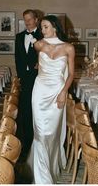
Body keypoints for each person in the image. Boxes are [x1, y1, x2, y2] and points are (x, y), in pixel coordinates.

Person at [28, 15, 75, 184]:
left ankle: (51, 165)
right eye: (41, 27)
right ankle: (42, 178)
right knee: (40, 133)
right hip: (40, 91)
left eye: (45, 27)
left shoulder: (68, 48)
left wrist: (64, 92)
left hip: (57, 91)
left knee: (52, 133)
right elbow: (38, 67)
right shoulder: (38, 45)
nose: (42, 30)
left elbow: (71, 74)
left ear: (55, 27)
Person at [15, 9, 42, 159]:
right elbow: (17, 58)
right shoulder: (19, 37)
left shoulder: (43, 35)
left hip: (38, 77)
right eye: (25, 19)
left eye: (30, 19)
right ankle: (25, 142)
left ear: (36, 19)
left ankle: (34, 141)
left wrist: (41, 62)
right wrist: (19, 76)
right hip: (24, 77)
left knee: (35, 107)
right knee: (24, 108)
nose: (27, 22)